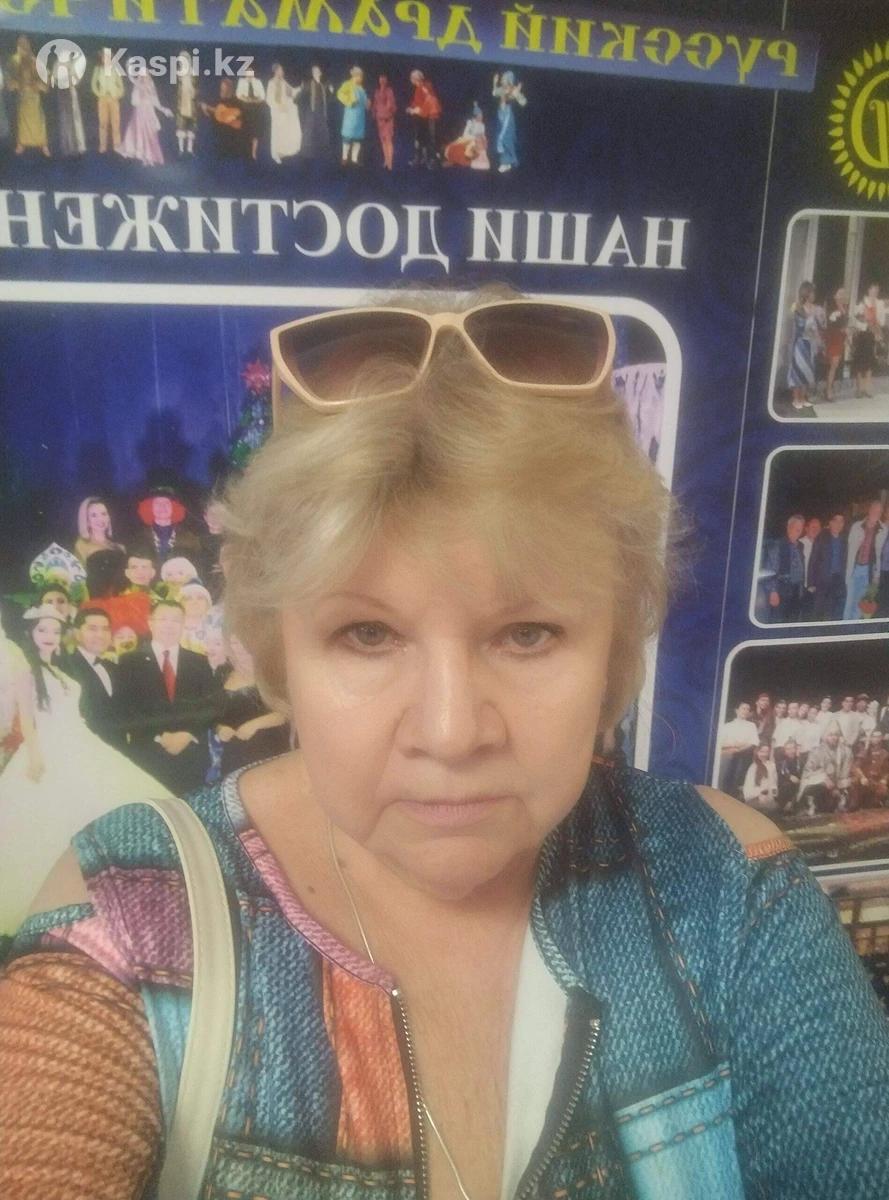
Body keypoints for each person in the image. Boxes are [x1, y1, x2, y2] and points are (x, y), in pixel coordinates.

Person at [2, 294, 889, 1199]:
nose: (451, 732)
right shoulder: (135, 908)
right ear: (278, 652)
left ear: (614, 651)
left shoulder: (721, 881)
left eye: (528, 634)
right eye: (367, 635)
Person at [0, 605, 172, 937]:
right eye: (42, 631)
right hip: (48, 747)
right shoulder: (27, 670)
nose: (49, 637)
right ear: (30, 634)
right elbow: (28, 718)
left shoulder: (58, 670)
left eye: (54, 631)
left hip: (78, 740)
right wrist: (34, 754)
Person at [116, 598, 217, 795]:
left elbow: (212, 704)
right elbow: (125, 707)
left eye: (176, 620)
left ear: (183, 624)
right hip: (148, 754)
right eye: (163, 619)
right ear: (150, 623)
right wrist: (160, 736)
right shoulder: (130, 661)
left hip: (191, 754)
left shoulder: (199, 661)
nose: (169, 625)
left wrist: (188, 733)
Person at [214, 633, 289, 776]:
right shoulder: (222, 671)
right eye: (234, 643)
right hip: (232, 752)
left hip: (267, 750)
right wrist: (220, 728)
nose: (239, 648)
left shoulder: (270, 671)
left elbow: (288, 712)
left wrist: (255, 725)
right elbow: (214, 711)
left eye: (244, 642)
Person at [60, 607, 125, 750]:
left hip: (118, 750)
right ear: (77, 633)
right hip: (84, 749)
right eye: (92, 629)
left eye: (105, 629)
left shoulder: (113, 667)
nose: (100, 635)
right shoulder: (66, 667)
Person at [119, 61, 173, 166]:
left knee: (151, 134)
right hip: (139, 112)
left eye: (146, 75)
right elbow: (131, 78)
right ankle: (144, 157)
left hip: (149, 112)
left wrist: (164, 110)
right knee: (140, 133)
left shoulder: (151, 86)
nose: (145, 77)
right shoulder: (138, 84)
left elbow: (156, 102)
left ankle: (150, 157)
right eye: (143, 75)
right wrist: (128, 67)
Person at [798, 719, 853, 815]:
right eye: (830, 735)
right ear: (825, 736)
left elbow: (845, 772)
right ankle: (811, 805)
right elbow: (808, 771)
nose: (834, 738)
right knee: (820, 796)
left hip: (838, 785)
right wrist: (823, 778)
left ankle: (839, 802)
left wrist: (837, 787)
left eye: (836, 735)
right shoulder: (817, 751)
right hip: (821, 785)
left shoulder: (846, 751)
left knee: (850, 790)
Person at [7, 35, 49, 157]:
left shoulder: (35, 61)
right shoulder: (14, 60)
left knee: (38, 120)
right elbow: (10, 76)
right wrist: (14, 84)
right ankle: (21, 144)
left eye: (24, 46)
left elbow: (45, 77)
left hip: (34, 95)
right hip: (22, 95)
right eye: (20, 46)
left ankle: (43, 144)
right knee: (22, 121)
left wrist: (39, 85)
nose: (21, 49)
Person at [844, 500, 887, 621]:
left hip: (867, 571)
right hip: (854, 569)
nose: (876, 513)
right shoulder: (856, 526)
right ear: (869, 510)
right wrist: (847, 571)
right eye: (874, 510)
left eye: (879, 512)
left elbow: (879, 554)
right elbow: (849, 550)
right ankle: (844, 628)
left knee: (860, 604)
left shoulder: (883, 530)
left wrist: (876, 575)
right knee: (849, 602)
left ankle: (853, 629)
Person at [764, 514, 807, 622]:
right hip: (781, 591)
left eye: (801, 528)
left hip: (796, 591)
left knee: (792, 622)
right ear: (789, 527)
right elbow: (770, 570)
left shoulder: (800, 546)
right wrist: (773, 591)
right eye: (796, 527)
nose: (799, 530)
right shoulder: (777, 545)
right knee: (778, 622)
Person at [810, 512, 848, 622]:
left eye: (841, 521)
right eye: (836, 521)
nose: (838, 524)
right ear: (830, 523)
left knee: (835, 613)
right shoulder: (821, 537)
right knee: (820, 614)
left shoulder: (844, 539)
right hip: (823, 581)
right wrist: (811, 583)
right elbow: (813, 560)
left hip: (838, 581)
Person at [851, 282, 885, 399]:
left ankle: (867, 388)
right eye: (873, 289)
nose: (875, 292)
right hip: (863, 334)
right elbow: (856, 318)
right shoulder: (862, 302)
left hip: (873, 334)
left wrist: (877, 327)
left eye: (877, 290)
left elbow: (882, 321)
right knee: (860, 361)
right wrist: (865, 323)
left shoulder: (880, 304)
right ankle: (859, 388)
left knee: (870, 361)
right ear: (869, 290)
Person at [492, 70, 528, 172]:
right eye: (502, 79)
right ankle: (506, 162)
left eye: (503, 79)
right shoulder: (502, 89)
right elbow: (494, 93)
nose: (502, 80)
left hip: (508, 116)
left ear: (508, 80)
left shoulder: (513, 90)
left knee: (506, 138)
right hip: (501, 115)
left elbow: (523, 102)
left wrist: (516, 94)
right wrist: (494, 82)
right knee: (501, 138)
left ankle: (506, 162)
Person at [266, 62, 301, 163]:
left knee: (286, 131)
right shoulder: (271, 83)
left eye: (282, 70)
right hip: (277, 112)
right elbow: (269, 98)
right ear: (276, 71)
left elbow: (291, 92)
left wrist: (300, 88)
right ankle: (276, 154)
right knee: (277, 132)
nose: (282, 72)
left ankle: (284, 151)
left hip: (285, 110)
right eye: (281, 70)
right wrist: (278, 107)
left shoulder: (283, 81)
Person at [73, 495, 125, 564]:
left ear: (109, 517)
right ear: (86, 521)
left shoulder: (119, 546)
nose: (100, 519)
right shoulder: (81, 545)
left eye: (104, 514)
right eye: (94, 515)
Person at [406, 67, 441, 166]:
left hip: (430, 116)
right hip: (422, 116)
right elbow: (416, 102)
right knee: (420, 137)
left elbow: (429, 101)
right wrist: (411, 108)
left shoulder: (426, 86)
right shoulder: (418, 88)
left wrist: (417, 111)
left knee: (431, 138)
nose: (412, 81)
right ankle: (420, 158)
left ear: (416, 79)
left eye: (413, 78)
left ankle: (432, 160)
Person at [91, 47, 124, 154]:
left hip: (113, 99)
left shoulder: (116, 69)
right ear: (101, 58)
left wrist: (117, 95)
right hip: (103, 99)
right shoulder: (98, 69)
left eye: (108, 57)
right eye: (104, 57)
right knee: (103, 123)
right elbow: (93, 84)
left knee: (116, 123)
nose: (106, 59)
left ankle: (117, 145)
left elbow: (121, 86)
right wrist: (99, 94)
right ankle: (103, 145)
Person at [297, 63, 333, 158]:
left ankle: (325, 151)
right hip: (312, 110)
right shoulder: (308, 84)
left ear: (320, 73)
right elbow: (301, 95)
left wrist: (330, 91)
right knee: (308, 131)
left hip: (321, 110)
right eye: (313, 71)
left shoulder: (323, 85)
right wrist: (294, 100)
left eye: (316, 71)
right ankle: (304, 153)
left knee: (324, 131)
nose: (315, 73)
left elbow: (328, 98)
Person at [336, 65, 369, 166]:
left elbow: (364, 101)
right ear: (355, 76)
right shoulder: (348, 84)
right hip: (350, 116)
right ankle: (344, 158)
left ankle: (354, 159)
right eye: (359, 76)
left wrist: (367, 103)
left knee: (357, 139)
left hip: (360, 117)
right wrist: (349, 102)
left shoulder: (361, 88)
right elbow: (340, 94)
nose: (361, 78)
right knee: (347, 137)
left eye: (361, 76)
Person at [443, 100, 490, 169]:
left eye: (481, 116)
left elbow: (482, 134)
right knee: (458, 146)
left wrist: (482, 140)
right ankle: (453, 158)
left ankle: (474, 158)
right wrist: (470, 138)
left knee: (479, 148)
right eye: (478, 116)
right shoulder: (470, 123)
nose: (480, 118)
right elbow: (466, 133)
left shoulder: (482, 125)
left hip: (477, 141)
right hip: (469, 139)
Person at [850, 730, 889, 810]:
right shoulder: (864, 752)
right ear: (871, 738)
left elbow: (887, 770)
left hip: (877, 781)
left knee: (883, 790)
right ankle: (854, 807)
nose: (876, 739)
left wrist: (884, 779)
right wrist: (862, 777)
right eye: (874, 736)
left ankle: (876, 806)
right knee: (855, 782)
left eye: (878, 736)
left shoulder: (885, 754)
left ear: (882, 738)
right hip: (865, 780)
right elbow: (855, 767)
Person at [824, 286, 849, 401]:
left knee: (835, 364)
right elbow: (829, 322)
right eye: (840, 294)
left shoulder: (844, 307)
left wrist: (847, 333)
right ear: (835, 295)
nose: (842, 296)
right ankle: (828, 390)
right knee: (833, 364)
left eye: (844, 294)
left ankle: (829, 388)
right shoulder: (831, 306)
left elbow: (844, 323)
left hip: (840, 338)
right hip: (831, 337)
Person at [235, 67, 265, 160]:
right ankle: (245, 151)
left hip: (256, 107)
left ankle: (253, 153)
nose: (249, 77)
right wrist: (246, 99)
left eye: (251, 75)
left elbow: (263, 96)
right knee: (246, 130)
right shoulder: (241, 81)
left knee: (255, 132)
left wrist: (256, 100)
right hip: (245, 107)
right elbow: (238, 94)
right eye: (247, 75)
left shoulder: (258, 82)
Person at [741, 741, 779, 812]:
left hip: (769, 797)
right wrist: (759, 794)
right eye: (762, 751)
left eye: (767, 752)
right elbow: (747, 789)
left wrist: (773, 795)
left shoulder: (772, 765)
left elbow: (774, 784)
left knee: (774, 808)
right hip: (754, 797)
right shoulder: (753, 767)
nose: (764, 754)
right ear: (757, 752)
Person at [174, 50, 198, 156]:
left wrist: (194, 93)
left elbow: (196, 87)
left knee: (191, 127)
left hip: (191, 103)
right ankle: (181, 149)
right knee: (181, 126)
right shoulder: (178, 74)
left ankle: (189, 149)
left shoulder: (193, 73)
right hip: (182, 103)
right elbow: (176, 89)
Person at [371, 72, 396, 169]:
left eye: (384, 79)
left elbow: (391, 104)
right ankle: (386, 159)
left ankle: (390, 162)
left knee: (388, 140)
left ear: (386, 80)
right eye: (380, 79)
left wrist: (389, 111)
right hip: (379, 119)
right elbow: (375, 104)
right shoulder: (377, 91)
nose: (382, 81)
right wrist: (374, 112)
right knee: (383, 140)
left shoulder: (389, 91)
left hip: (387, 119)